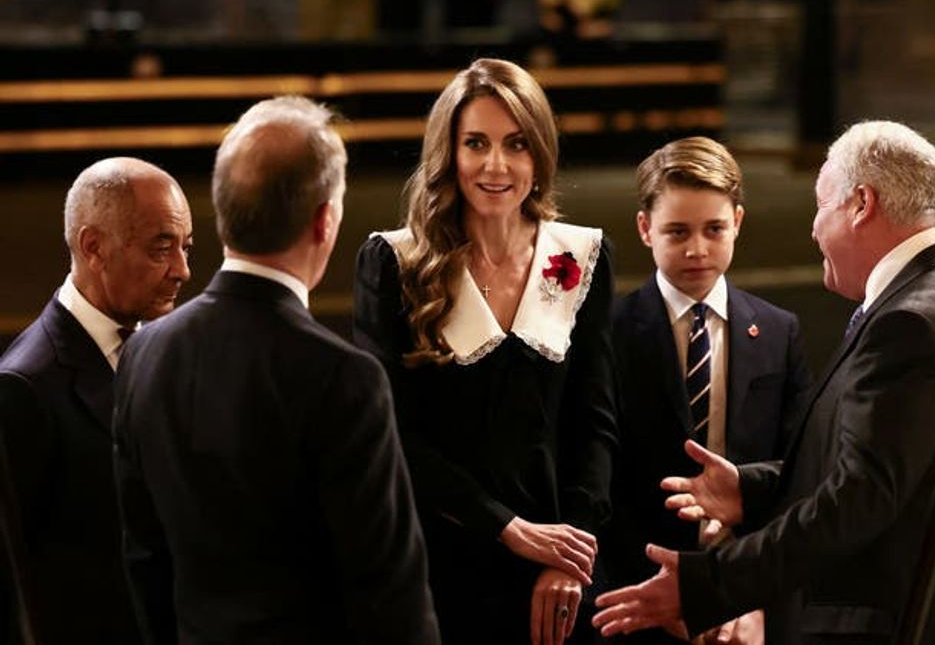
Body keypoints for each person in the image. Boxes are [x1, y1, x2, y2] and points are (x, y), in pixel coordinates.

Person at [592, 120, 935, 644]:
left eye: (821, 207)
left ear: (860, 203)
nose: (815, 229)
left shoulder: (906, 322)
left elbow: (858, 498)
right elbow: (889, 466)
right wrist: (752, 489)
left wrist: (713, 585)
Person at [112, 96, 440, 644]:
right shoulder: (344, 377)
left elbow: (145, 561)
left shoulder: (145, 353)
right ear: (325, 221)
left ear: (222, 210)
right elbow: (389, 595)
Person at [353, 58, 617, 645]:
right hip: (440, 567)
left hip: (558, 574)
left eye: (516, 144)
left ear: (540, 154)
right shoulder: (394, 263)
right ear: (448, 151)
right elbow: (390, 434)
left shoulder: (581, 256)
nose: (497, 165)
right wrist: (509, 529)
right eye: (476, 143)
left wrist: (567, 550)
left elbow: (595, 426)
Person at [604, 137, 811, 645]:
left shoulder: (779, 331)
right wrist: (666, 598)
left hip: (747, 596)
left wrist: (754, 595)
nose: (697, 248)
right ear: (644, 229)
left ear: (737, 222)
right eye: (677, 231)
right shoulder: (608, 334)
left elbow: (799, 469)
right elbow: (600, 480)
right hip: (640, 592)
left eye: (714, 229)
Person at [0, 157, 193, 644]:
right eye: (162, 248)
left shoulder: (172, 350)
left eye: (186, 248)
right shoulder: (22, 386)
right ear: (93, 247)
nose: (183, 271)